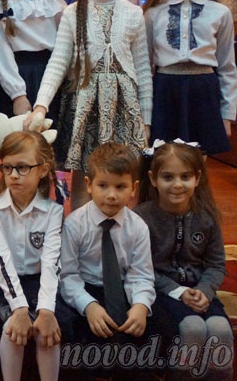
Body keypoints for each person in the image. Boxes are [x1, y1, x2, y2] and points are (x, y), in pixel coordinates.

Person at [26, 0, 152, 207]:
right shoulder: (71, 13)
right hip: (84, 106)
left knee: (121, 174)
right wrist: (40, 106)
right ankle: (80, 230)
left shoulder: (134, 13)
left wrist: (146, 119)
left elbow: (142, 69)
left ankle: (121, 229)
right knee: (85, 175)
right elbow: (58, 62)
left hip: (124, 108)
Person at [134, 140, 233, 380]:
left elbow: (216, 264)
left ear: (197, 178)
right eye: (168, 177)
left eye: (185, 177)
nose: (177, 185)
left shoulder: (206, 217)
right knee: (192, 328)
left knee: (220, 330)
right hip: (162, 292)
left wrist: (205, 290)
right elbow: (139, 269)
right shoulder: (141, 219)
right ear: (153, 179)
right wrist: (178, 292)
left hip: (200, 291)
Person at [56, 142, 155, 379]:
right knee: (81, 342)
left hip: (122, 289)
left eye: (120, 187)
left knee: (144, 336)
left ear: (134, 188)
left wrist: (141, 305)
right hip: (86, 289)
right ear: (89, 185)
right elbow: (68, 275)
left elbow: (141, 275)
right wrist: (89, 306)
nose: (111, 195)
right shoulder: (75, 224)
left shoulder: (138, 227)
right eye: (103, 186)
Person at [0, 131, 62, 381]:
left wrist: (46, 310)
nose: (13, 175)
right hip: (2, 285)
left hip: (39, 283)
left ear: (42, 170)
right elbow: (2, 261)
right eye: (7, 167)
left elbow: (51, 263)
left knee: (47, 329)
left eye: (22, 167)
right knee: (12, 328)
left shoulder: (53, 211)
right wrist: (20, 308)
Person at [143, 0, 236, 155]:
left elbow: (227, 67)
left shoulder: (220, 13)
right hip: (165, 92)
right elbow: (144, 67)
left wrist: (227, 114)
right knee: (164, 156)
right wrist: (144, 114)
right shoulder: (153, 14)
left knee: (199, 160)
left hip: (204, 93)